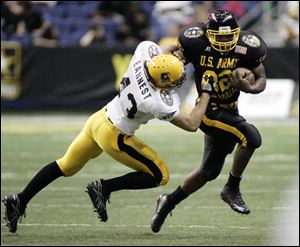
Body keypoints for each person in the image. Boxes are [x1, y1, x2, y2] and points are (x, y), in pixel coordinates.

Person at [2, 40, 214, 233]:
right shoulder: (156, 101)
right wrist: (206, 93)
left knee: (65, 165)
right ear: (162, 82)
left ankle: (19, 200)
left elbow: (162, 52)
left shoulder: (143, 56)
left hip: (99, 118)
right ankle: (104, 188)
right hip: (115, 136)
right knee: (160, 175)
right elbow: (192, 124)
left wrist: (179, 51)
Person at [151, 9, 267, 233]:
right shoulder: (195, 40)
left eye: (228, 37)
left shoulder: (248, 46)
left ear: (237, 32)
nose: (223, 42)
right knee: (251, 137)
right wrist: (173, 67)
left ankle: (168, 202)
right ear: (208, 33)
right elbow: (173, 57)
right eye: (219, 37)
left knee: (209, 172)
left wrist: (250, 87)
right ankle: (232, 188)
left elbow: (261, 77)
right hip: (207, 110)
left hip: (230, 110)